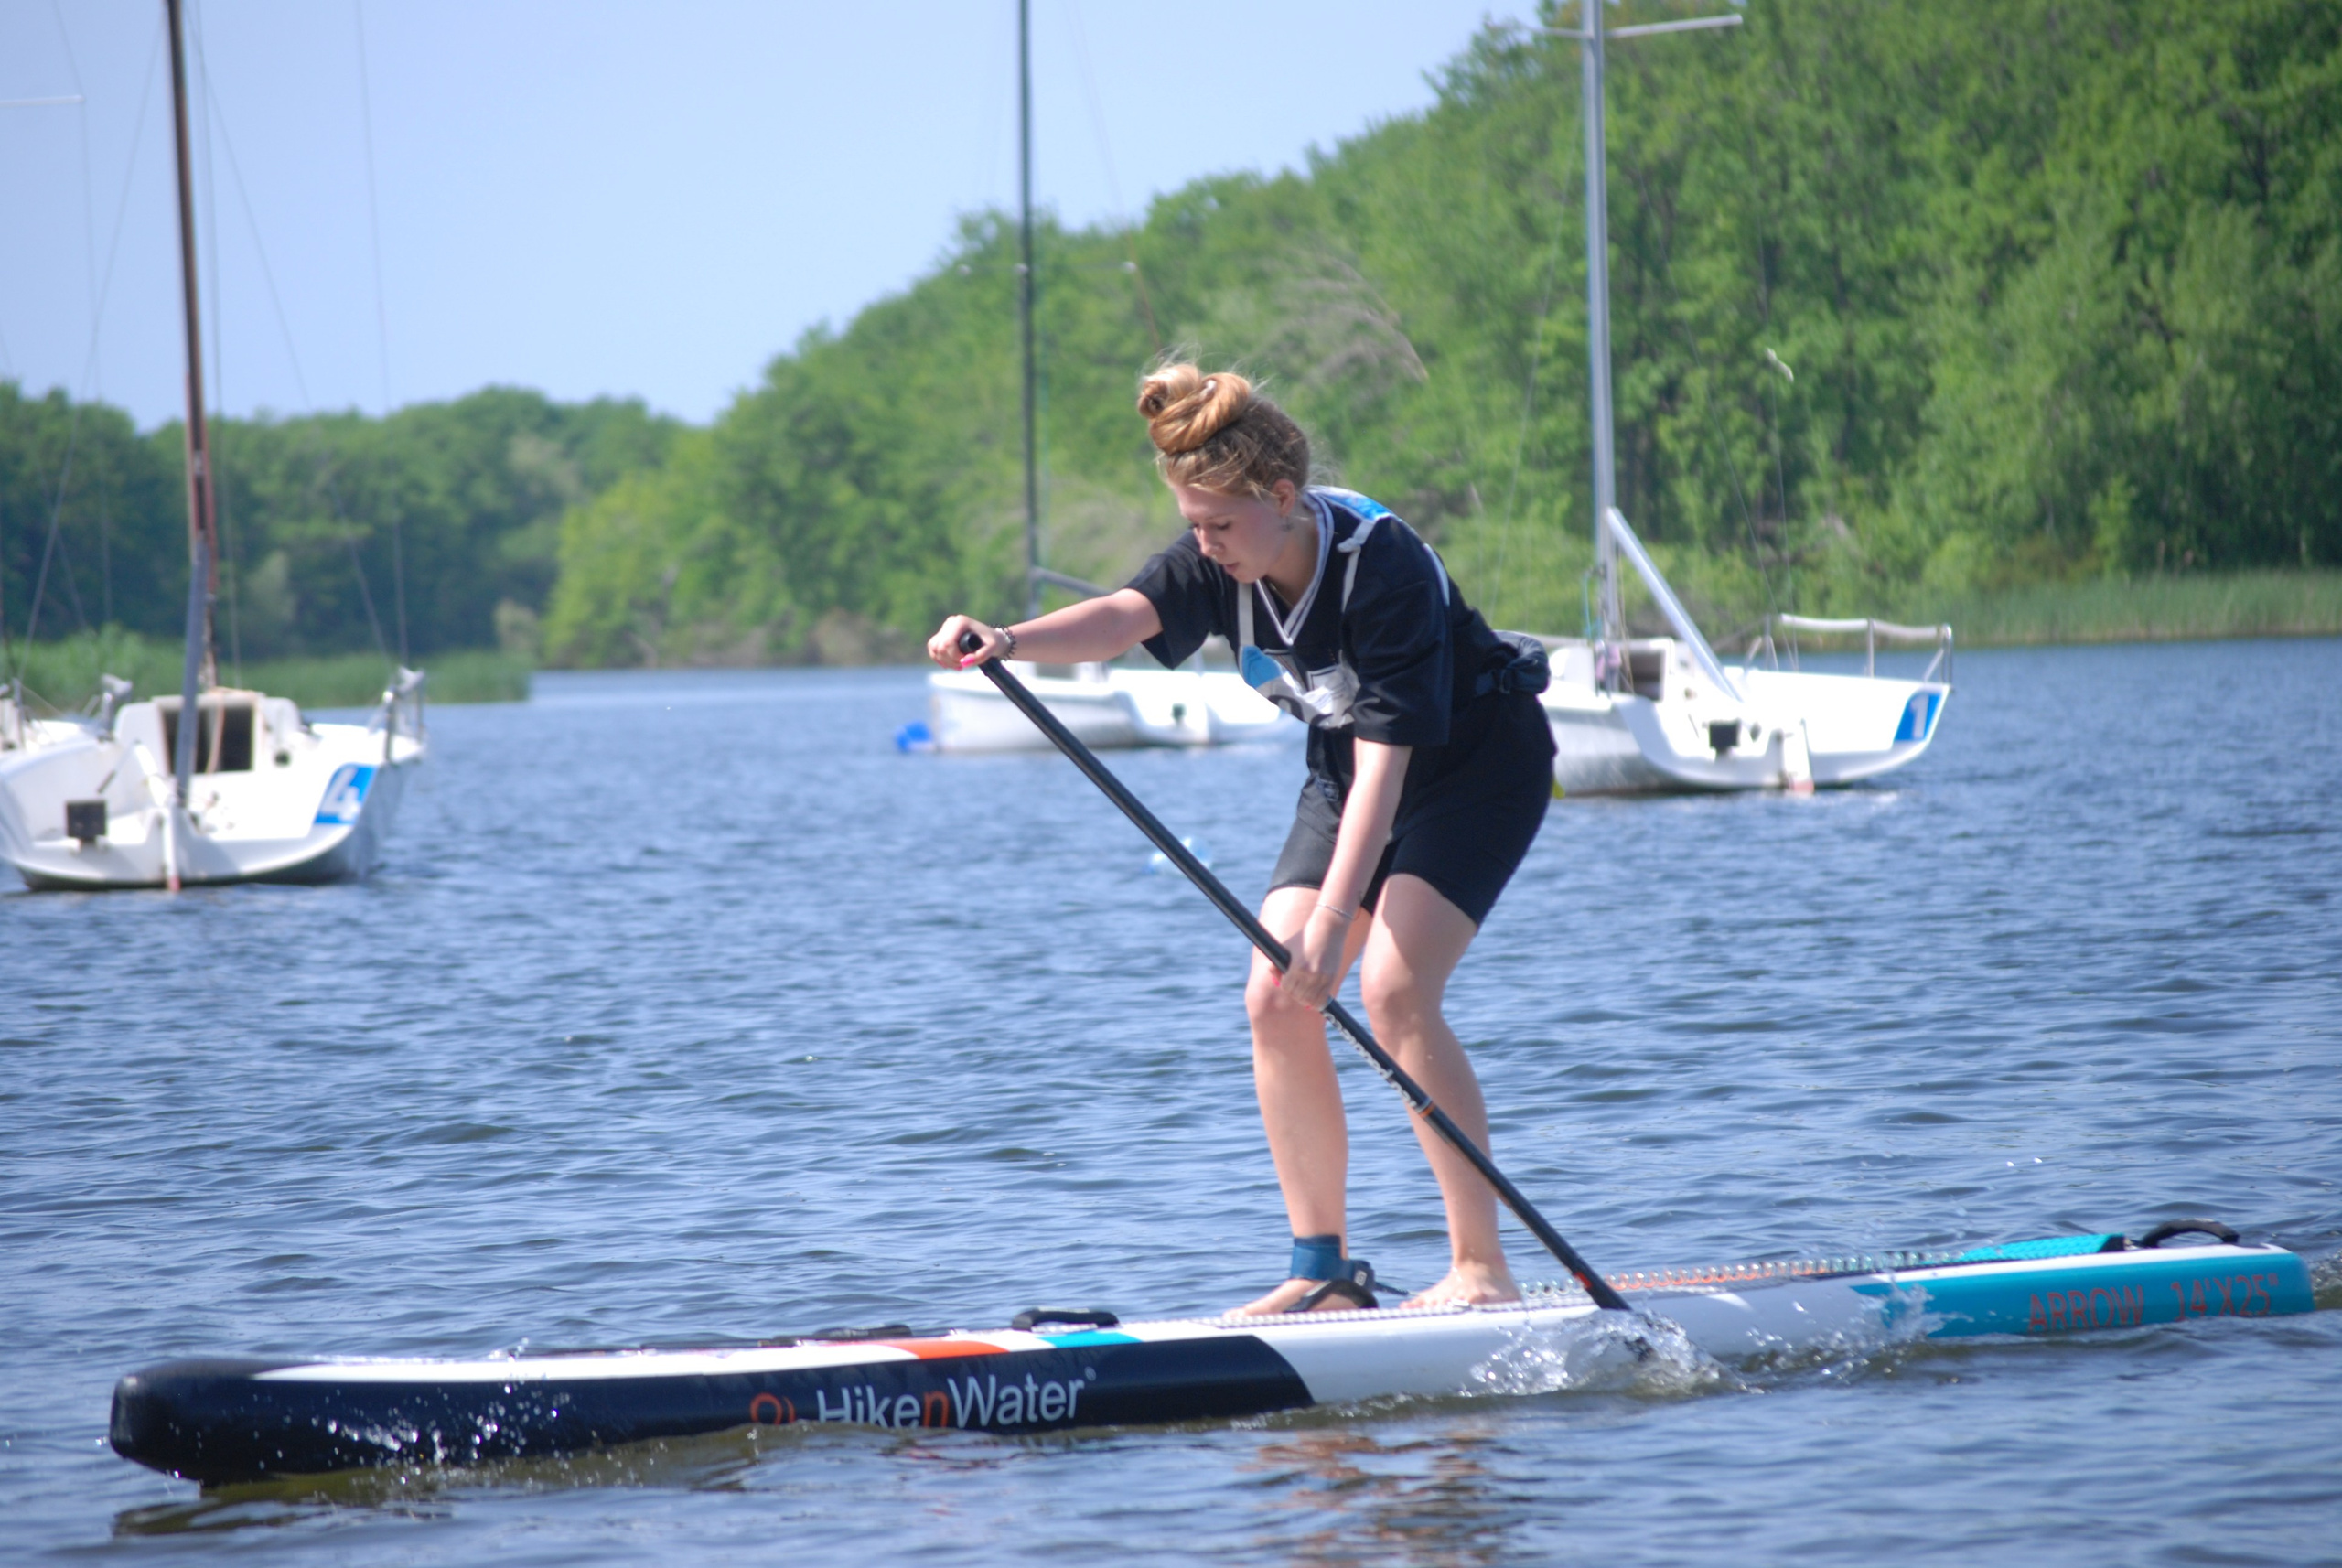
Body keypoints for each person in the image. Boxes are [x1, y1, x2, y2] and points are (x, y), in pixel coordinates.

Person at [927, 363, 1555, 1315]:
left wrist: (1334, 920)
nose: (1204, 544)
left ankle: (1480, 1268)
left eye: (1219, 525)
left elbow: (1390, 766)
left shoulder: (1378, 564)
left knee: (1389, 990)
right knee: (1274, 996)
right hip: (1348, 776)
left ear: (1282, 497)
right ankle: (1323, 1271)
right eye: (1191, 525)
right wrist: (1004, 638)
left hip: (1474, 770)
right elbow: (1119, 620)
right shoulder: (1217, 552)